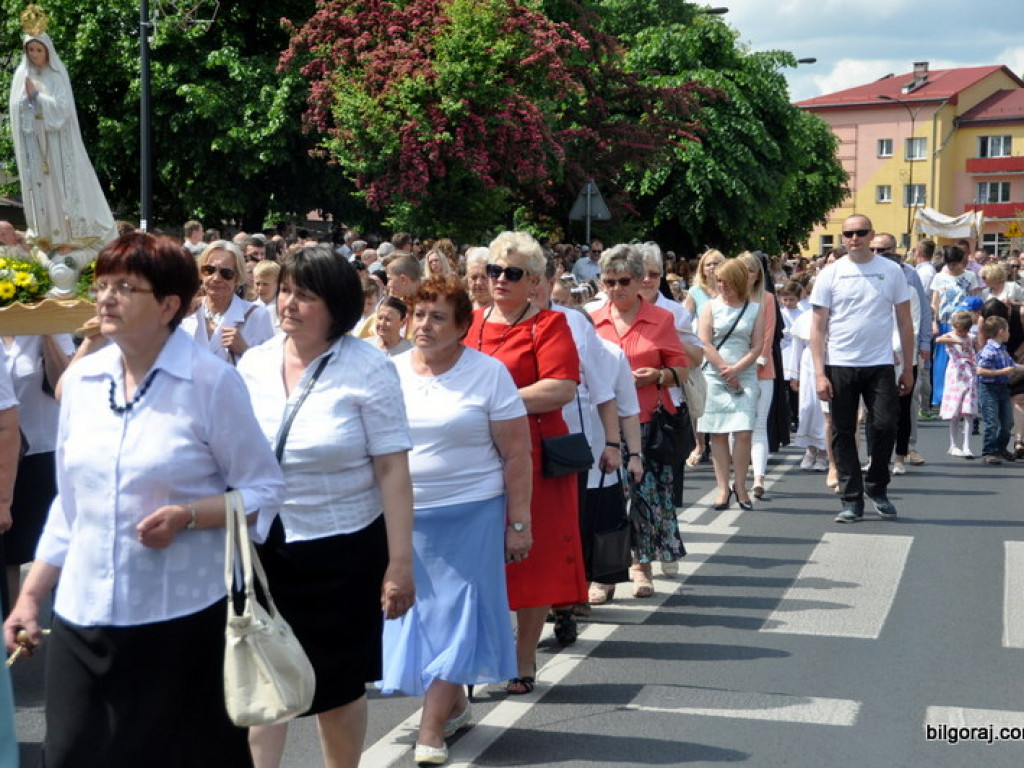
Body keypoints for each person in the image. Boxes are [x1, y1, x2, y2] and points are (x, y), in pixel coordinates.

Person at [2, 233, 285, 767]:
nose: (105, 297)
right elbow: (69, 506)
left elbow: (264, 488)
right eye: (102, 284)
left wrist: (189, 516)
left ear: (169, 306)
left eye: (124, 287)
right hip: (83, 615)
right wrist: (31, 598)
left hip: (179, 618)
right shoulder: (83, 381)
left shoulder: (211, 382)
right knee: (68, 755)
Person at [238, 247, 415, 768]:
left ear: (336, 306)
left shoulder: (369, 367)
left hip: (343, 547)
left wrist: (399, 564)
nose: (288, 304)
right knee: (261, 682)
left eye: (305, 296)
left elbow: (392, 470)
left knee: (335, 686)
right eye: (285, 291)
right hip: (261, 545)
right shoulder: (254, 363)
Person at [380, 276, 530, 765]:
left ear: (463, 326)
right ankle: (455, 704)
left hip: (473, 513)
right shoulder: (388, 372)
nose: (424, 325)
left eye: (438, 317)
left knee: (456, 617)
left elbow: (516, 454)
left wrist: (519, 522)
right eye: (419, 315)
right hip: (404, 517)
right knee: (419, 617)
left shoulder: (489, 374)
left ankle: (430, 728)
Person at [465, 231, 584, 695]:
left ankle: (524, 653)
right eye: (494, 270)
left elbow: (561, 387)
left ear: (534, 281)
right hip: (476, 454)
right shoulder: (470, 323)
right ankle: (479, 652)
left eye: (512, 273)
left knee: (533, 557)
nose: (500, 279)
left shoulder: (549, 325)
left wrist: (497, 401)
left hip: (534, 456)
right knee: (478, 555)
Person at [591, 245, 688, 598]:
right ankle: (604, 575)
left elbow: (681, 369)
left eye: (623, 281)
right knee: (606, 500)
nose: (616, 288)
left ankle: (640, 566)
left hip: (647, 421)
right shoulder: (591, 320)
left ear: (637, 280)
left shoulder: (660, 319)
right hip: (602, 424)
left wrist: (658, 376)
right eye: (609, 281)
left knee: (645, 498)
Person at [810, 214, 914, 523]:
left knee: (886, 424)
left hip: (879, 362)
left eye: (861, 232)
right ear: (842, 237)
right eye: (848, 233)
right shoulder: (831, 273)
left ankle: (877, 486)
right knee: (843, 430)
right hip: (840, 362)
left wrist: (909, 367)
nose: (854, 238)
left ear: (871, 235)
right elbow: (818, 327)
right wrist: (819, 373)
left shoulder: (891, 271)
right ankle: (851, 498)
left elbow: (905, 321)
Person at [9, 23, 117, 251]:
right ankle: (46, 235)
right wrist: (25, 101)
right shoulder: (21, 74)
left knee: (60, 188)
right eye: (31, 50)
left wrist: (37, 96)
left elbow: (63, 109)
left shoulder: (56, 75)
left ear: (47, 51)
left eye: (39, 50)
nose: (35, 54)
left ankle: (69, 235)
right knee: (42, 189)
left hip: (56, 142)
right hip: (33, 142)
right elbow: (15, 109)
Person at [1, 334, 73, 609]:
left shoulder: (48, 325)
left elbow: (65, 385)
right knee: (8, 554)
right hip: (6, 459)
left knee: (55, 550)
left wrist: (45, 330)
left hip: (45, 453)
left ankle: (59, 621)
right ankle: (11, 626)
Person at [696, 257, 764, 511]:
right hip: (715, 374)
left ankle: (741, 486)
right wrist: (725, 369)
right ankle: (723, 488)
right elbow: (705, 342)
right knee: (718, 433)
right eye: (718, 281)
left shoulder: (755, 309)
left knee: (744, 432)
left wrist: (737, 369)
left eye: (726, 281)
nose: (721, 285)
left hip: (744, 374)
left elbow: (757, 346)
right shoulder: (710, 307)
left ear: (738, 281)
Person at [180, 240, 275, 365]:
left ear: (237, 278)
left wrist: (245, 350)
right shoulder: (186, 312)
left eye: (226, 273)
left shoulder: (257, 316)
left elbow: (270, 369)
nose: (216, 278)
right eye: (209, 270)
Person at [683, 248, 725, 466]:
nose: (712, 267)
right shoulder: (696, 292)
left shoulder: (730, 289)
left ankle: (722, 443)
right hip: (703, 351)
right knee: (701, 399)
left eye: (716, 263)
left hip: (726, 348)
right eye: (708, 264)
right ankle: (700, 444)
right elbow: (683, 318)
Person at [930, 245, 980, 407]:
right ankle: (940, 395)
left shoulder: (970, 276)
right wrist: (934, 322)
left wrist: (973, 323)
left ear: (961, 261)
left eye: (955, 264)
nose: (952, 267)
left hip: (963, 324)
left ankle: (963, 394)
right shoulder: (939, 277)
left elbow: (974, 299)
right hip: (944, 323)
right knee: (941, 361)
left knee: (963, 360)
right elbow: (935, 302)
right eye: (949, 264)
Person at [975, 315, 1020, 464]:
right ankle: (989, 451)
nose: (1009, 333)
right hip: (989, 389)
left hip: (1002, 388)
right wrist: (1002, 372)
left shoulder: (1002, 350)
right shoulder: (989, 351)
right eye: (1008, 330)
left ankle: (1000, 447)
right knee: (992, 422)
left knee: (1008, 422)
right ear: (1001, 331)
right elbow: (980, 370)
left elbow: (1012, 366)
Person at [935, 310, 979, 457]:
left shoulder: (971, 337)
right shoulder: (950, 336)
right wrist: (955, 340)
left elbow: (976, 349)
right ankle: (953, 445)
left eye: (965, 330)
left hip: (969, 374)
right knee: (955, 411)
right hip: (955, 375)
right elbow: (938, 340)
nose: (962, 333)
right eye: (960, 330)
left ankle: (967, 445)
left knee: (968, 411)